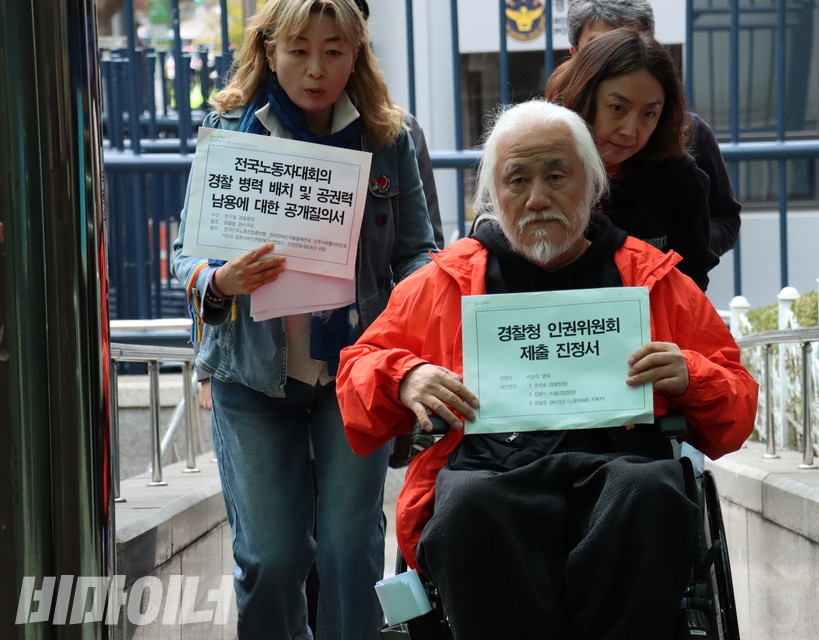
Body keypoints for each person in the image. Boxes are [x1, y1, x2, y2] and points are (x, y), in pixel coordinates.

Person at [336, 100, 758, 639]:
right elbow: (357, 377)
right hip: (490, 468)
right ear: (492, 194)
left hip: (621, 457)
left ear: (593, 186)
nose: (537, 199)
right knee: (467, 505)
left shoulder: (649, 279)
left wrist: (691, 375)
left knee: (649, 493)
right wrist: (403, 376)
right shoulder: (444, 282)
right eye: (517, 180)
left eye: (557, 176)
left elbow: (738, 406)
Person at [170, 0, 439, 638]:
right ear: (268, 49)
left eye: (334, 50)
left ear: (356, 53)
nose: (316, 68)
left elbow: (418, 248)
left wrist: (421, 300)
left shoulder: (388, 135)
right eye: (298, 50)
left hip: (353, 375)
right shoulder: (231, 127)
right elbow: (188, 257)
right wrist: (220, 281)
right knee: (271, 557)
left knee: (350, 555)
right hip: (252, 378)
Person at [545, 27, 718, 291]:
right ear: (582, 96)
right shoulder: (537, 164)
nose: (630, 130)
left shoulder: (682, 180)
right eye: (617, 108)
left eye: (648, 114)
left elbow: (690, 282)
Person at [567, 0, 742, 257]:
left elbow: (724, 220)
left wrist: (678, 247)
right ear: (575, 54)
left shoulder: (691, 137)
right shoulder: (545, 132)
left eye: (649, 114)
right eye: (600, 47)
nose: (630, 130)